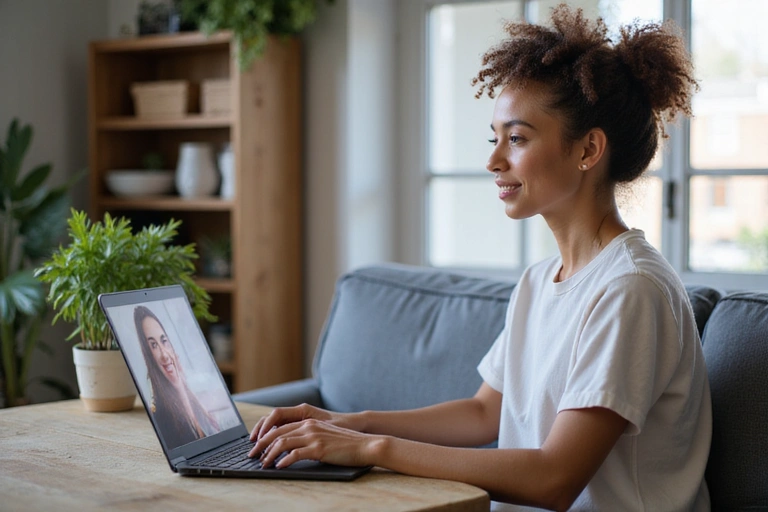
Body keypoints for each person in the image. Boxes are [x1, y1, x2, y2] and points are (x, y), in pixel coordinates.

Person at [248, 5, 711, 511]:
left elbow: (555, 479)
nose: (493, 160)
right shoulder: (540, 281)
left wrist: (372, 449)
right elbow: (482, 413)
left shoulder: (630, 289)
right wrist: (347, 423)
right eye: (495, 138)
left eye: (517, 138)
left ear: (588, 150)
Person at [134, 305, 220, 447]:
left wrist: (182, 386)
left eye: (164, 341)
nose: (164, 354)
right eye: (153, 345)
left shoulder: (192, 397)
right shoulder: (161, 414)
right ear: (149, 355)